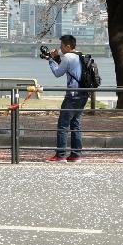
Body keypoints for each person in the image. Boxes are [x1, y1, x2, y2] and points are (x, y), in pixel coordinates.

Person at [46, 34, 88, 162]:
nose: (60, 48)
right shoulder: (80, 55)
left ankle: (60, 155)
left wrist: (51, 60)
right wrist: (57, 58)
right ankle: (75, 155)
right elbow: (69, 69)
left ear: (68, 46)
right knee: (76, 125)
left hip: (72, 96)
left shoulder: (68, 56)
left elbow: (58, 73)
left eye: (62, 46)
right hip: (83, 94)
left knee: (63, 125)